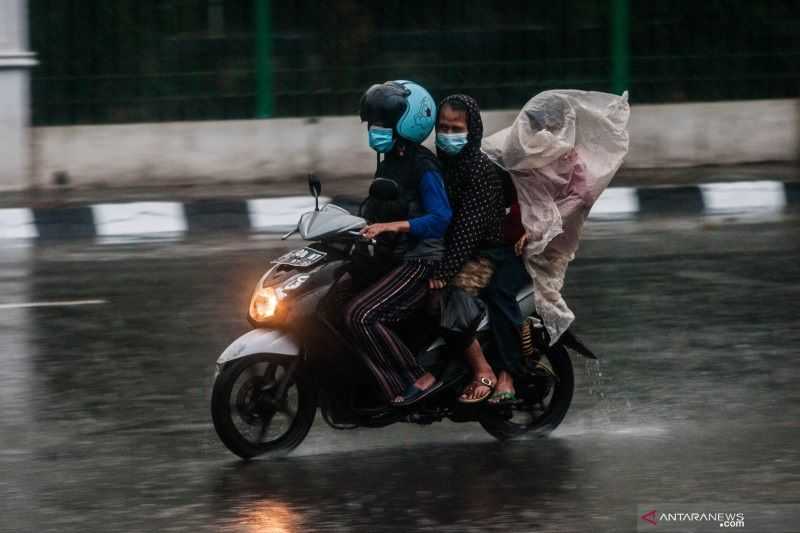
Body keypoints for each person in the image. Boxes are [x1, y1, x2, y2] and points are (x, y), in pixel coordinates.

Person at [342, 80, 452, 406]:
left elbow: (440, 218)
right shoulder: (389, 160)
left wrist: (395, 226)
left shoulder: (422, 166)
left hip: (421, 260)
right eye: (372, 123)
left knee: (361, 315)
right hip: (395, 256)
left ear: (407, 124)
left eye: (382, 123)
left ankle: (414, 378)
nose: (375, 129)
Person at [427, 94, 511, 404]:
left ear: (472, 129)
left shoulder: (480, 170)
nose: (448, 135)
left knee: (452, 294)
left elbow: (468, 229)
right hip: (450, 249)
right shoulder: (441, 165)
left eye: (456, 128)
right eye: (443, 128)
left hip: (484, 254)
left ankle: (482, 370)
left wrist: (445, 272)